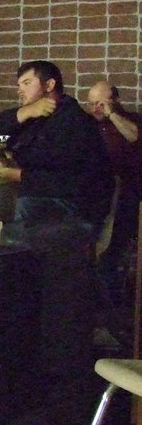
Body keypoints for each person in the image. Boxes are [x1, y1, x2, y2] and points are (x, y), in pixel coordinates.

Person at [0, 60, 114, 240]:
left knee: (23, 206)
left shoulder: (75, 122)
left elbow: (73, 181)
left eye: (27, 83)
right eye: (19, 85)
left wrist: (20, 175)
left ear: (49, 85)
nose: (20, 90)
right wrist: (24, 113)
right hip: (32, 194)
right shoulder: (33, 115)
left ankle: (9, 265)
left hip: (72, 204)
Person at [85, 80, 142, 343]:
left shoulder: (129, 120)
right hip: (94, 198)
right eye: (91, 103)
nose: (95, 108)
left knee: (112, 256)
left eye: (101, 102)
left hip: (127, 198)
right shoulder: (86, 127)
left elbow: (133, 136)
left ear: (114, 99)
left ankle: (115, 325)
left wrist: (112, 114)